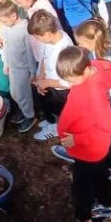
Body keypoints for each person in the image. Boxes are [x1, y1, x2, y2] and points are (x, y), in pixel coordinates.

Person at [55, 47, 111, 222]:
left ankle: (84, 220)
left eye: (72, 80)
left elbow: (108, 128)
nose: (69, 83)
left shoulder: (94, 94)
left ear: (85, 70)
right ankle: (107, 204)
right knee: (99, 175)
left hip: (87, 149)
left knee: (81, 187)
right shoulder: (92, 73)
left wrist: (77, 138)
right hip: (93, 150)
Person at [70, 19, 111, 176]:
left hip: (109, 107)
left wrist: (107, 110)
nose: (80, 46)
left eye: (81, 42)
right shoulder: (93, 54)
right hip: (98, 105)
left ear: (91, 41)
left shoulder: (110, 61)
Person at [27, 10, 74, 141]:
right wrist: (41, 75)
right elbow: (44, 57)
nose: (38, 40)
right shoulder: (52, 40)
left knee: (58, 110)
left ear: (47, 34)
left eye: (38, 37)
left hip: (60, 89)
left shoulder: (64, 49)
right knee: (46, 102)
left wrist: (47, 83)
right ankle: (50, 121)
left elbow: (68, 82)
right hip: (48, 82)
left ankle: (55, 128)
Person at [0, 0, 39, 133]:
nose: (2, 24)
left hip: (24, 68)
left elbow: (30, 53)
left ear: (14, 16)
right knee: (15, 93)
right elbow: (6, 47)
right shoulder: (5, 28)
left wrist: (33, 72)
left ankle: (30, 116)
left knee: (23, 94)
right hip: (13, 67)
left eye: (4, 21)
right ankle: (23, 110)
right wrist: (6, 63)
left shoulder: (25, 30)